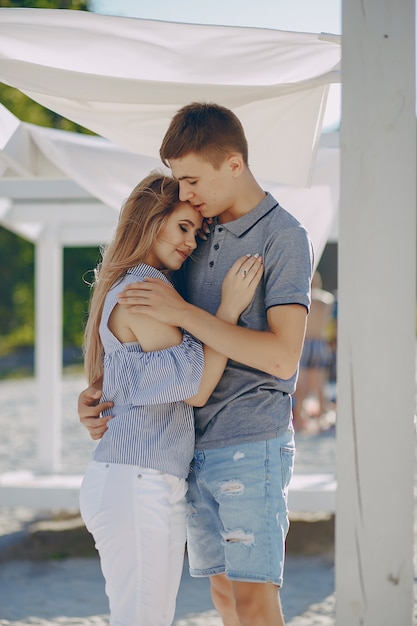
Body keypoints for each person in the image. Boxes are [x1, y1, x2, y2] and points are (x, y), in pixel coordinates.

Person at [79, 102, 313, 626]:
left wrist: (188, 311)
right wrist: (97, 390)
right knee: (225, 600)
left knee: (253, 602)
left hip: (251, 441)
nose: (185, 195)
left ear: (233, 164)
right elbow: (149, 345)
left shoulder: (284, 238)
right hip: (186, 454)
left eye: (190, 180)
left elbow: (281, 356)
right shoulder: (197, 234)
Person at [79, 171, 264, 626]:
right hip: (138, 480)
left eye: (195, 235)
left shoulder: (133, 286)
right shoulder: (144, 288)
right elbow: (197, 387)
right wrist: (227, 311)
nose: (190, 244)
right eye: (183, 227)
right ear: (149, 220)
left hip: (135, 478)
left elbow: (120, 384)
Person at [292, 271, 335, 431]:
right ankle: (322, 421)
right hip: (320, 343)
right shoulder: (327, 299)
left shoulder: (304, 297)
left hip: (305, 343)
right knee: (319, 386)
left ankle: (300, 422)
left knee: (300, 387)